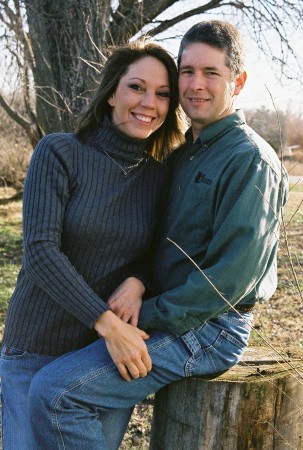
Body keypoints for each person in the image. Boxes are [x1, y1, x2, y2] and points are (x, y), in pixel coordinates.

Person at [28, 20, 288, 450]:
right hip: (170, 310)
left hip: (210, 327)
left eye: (211, 73)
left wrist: (144, 318)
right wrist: (139, 281)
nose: (195, 85)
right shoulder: (182, 154)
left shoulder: (250, 159)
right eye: (187, 72)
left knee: (56, 394)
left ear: (237, 81)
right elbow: (161, 242)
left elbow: (228, 282)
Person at [0, 40, 185, 450]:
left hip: (98, 364)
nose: (148, 102)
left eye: (162, 94)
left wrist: (138, 279)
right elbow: (41, 252)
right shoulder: (60, 151)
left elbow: (160, 254)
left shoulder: (160, 175)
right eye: (137, 87)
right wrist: (109, 323)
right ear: (112, 91)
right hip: (37, 349)